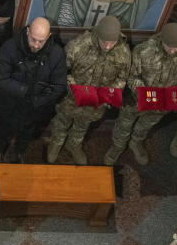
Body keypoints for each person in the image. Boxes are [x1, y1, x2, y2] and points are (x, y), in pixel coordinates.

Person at [47, 15, 129, 165]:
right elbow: (60, 72)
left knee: (83, 125)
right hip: (71, 98)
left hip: (97, 102)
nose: (108, 46)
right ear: (98, 34)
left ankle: (74, 144)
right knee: (62, 121)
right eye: (104, 41)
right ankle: (57, 142)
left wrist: (108, 94)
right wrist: (76, 88)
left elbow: (122, 78)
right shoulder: (78, 46)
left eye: (112, 42)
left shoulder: (123, 53)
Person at [0, 17, 67, 163]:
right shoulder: (10, 48)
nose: (36, 45)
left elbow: (59, 86)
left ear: (49, 36)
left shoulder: (56, 54)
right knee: (2, 129)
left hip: (34, 106)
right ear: (27, 32)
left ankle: (20, 151)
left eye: (41, 41)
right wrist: (25, 90)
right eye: (33, 39)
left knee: (27, 131)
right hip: (9, 102)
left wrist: (39, 100)